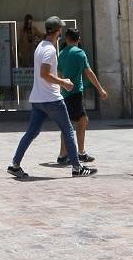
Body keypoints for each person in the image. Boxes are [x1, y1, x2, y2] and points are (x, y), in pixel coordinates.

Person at [6, 16, 96, 179]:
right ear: (57, 31)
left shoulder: (40, 46)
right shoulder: (49, 50)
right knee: (68, 130)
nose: (61, 32)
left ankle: (15, 165)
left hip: (38, 99)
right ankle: (77, 168)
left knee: (31, 132)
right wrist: (64, 83)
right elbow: (45, 74)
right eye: (60, 29)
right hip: (52, 99)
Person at [56, 28, 108, 164]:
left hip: (65, 93)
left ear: (66, 39)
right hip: (75, 93)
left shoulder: (61, 54)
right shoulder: (80, 53)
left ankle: (63, 155)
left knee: (68, 124)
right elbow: (89, 73)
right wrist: (101, 89)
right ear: (78, 39)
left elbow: (59, 75)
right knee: (82, 120)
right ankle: (80, 153)